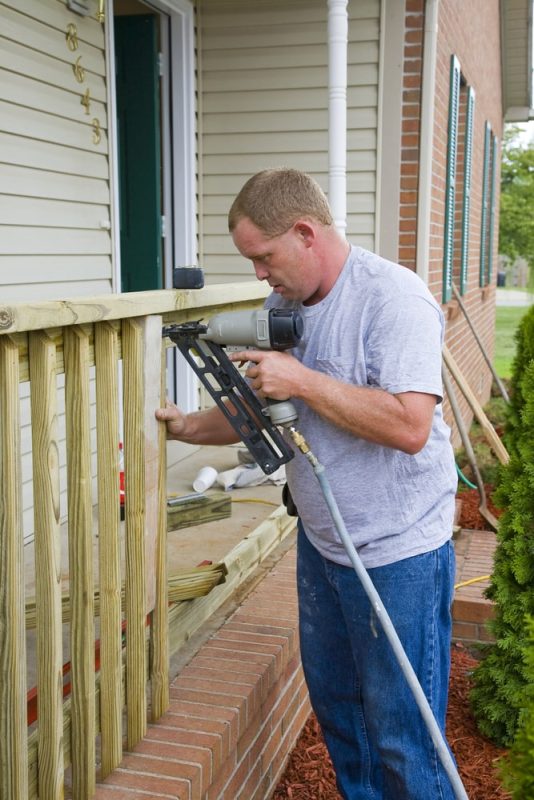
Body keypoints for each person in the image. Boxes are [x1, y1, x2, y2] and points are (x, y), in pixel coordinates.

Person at [156, 168, 458, 800]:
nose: (261, 275)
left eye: (264, 258)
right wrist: (186, 427)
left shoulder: (392, 299)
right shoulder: (283, 309)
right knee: (342, 719)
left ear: (305, 232)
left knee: (405, 735)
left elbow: (409, 424)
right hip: (324, 546)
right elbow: (255, 407)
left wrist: (304, 382)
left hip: (397, 553)